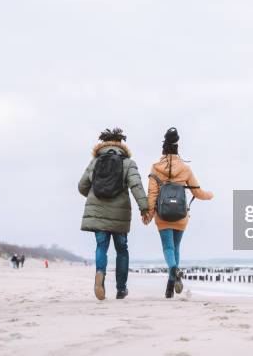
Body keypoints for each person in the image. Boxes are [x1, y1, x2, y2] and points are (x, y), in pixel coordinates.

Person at [78, 127, 148, 300]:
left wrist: (96, 195)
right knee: (122, 249)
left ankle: (100, 274)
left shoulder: (94, 162)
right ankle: (121, 289)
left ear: (103, 144)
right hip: (120, 215)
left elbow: (81, 186)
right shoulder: (128, 163)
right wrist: (144, 208)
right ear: (121, 144)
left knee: (101, 246)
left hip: (98, 212)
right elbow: (136, 186)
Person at [144, 127, 213, 298]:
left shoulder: (155, 167)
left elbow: (152, 194)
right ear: (177, 149)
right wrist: (210, 195)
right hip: (181, 216)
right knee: (176, 247)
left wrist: (148, 214)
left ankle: (173, 272)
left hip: (163, 215)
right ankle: (170, 285)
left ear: (163, 148)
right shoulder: (185, 169)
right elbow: (198, 192)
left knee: (168, 247)